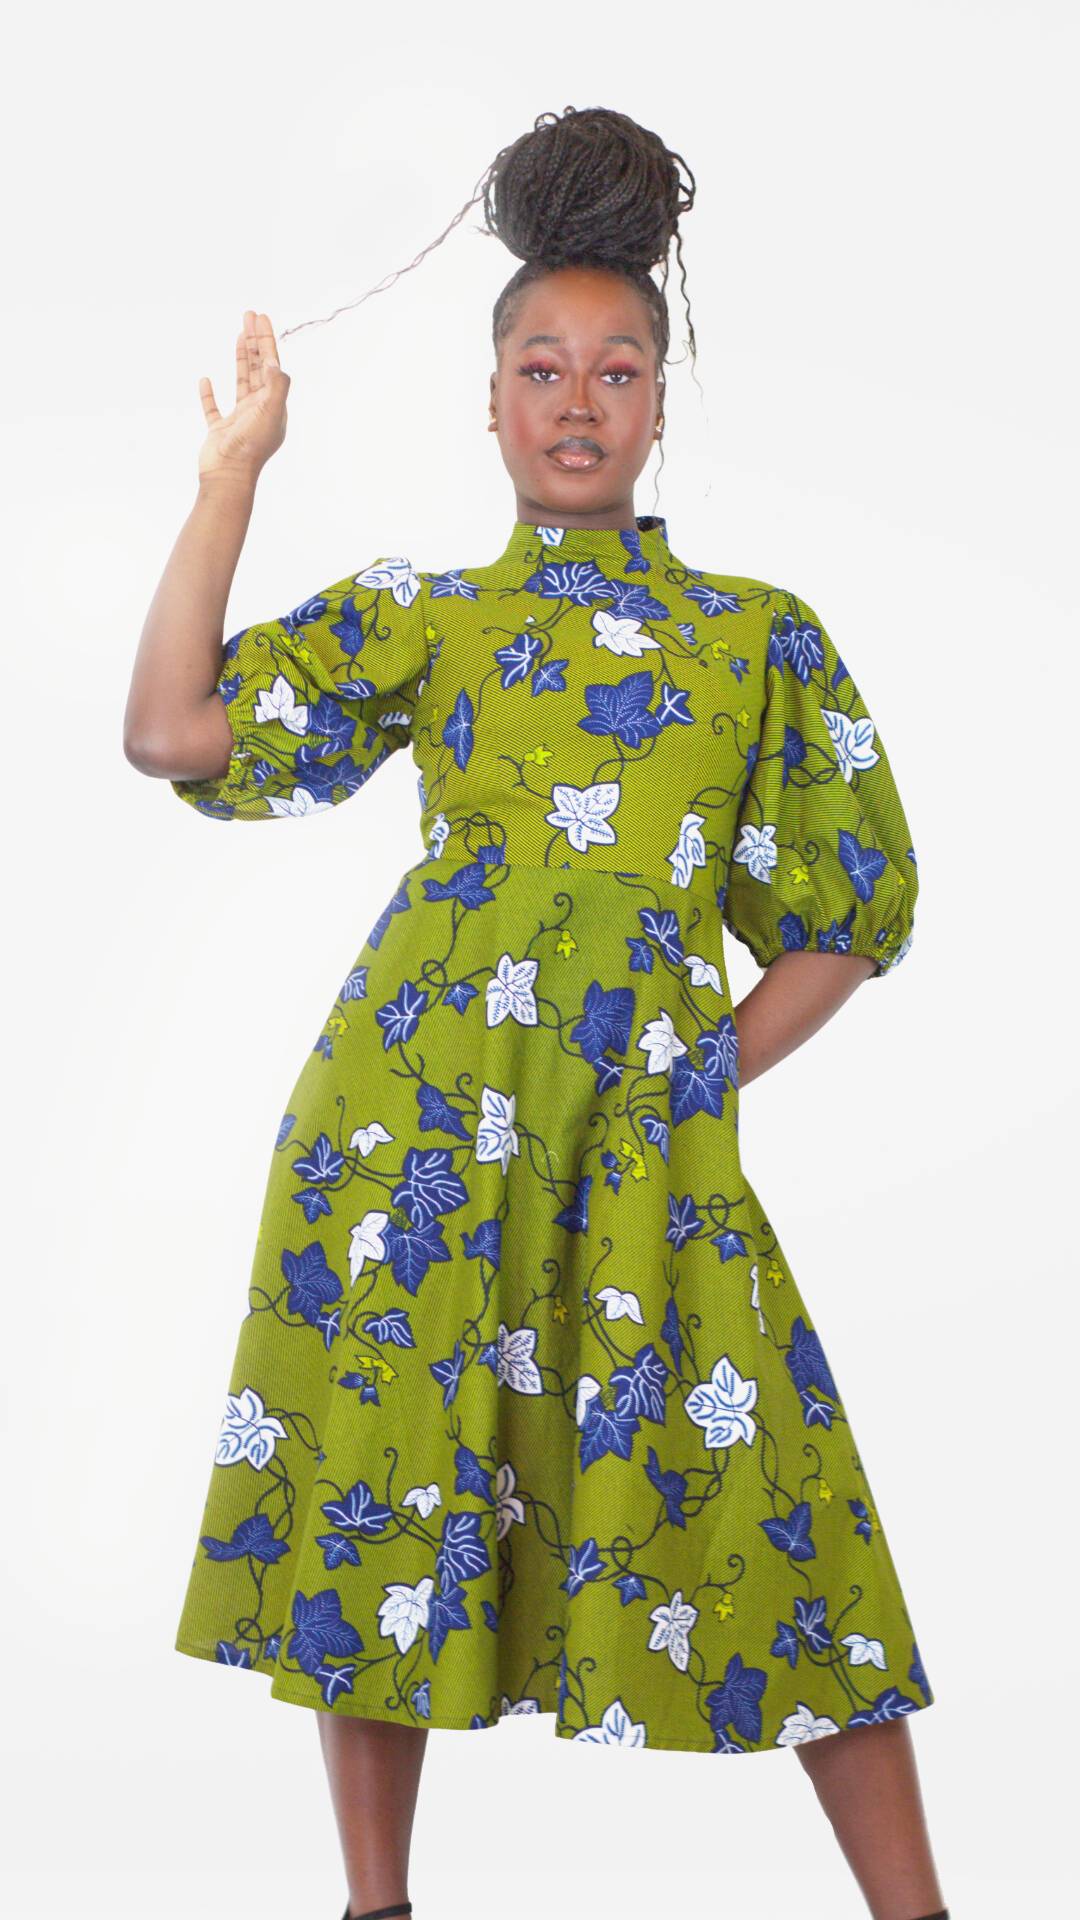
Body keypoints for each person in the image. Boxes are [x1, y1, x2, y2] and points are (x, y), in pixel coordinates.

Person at [125, 105, 949, 1920]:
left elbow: (851, 908)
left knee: (779, 1494)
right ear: (488, 401)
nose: (577, 401)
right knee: (387, 1489)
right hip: (411, 1131)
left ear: (661, 402)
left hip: (640, 1142)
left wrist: (704, 1071)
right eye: (538, 367)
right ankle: (377, 1905)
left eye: (617, 369)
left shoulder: (756, 638)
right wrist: (233, 478)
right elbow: (177, 732)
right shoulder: (430, 621)